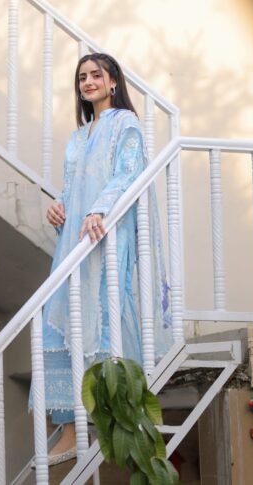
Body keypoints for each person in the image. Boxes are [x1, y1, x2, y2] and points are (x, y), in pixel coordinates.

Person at [30, 53, 172, 465]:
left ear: (113, 82)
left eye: (96, 75)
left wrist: (100, 209)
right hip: (76, 239)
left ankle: (119, 417)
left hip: (106, 232)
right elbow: (72, 186)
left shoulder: (125, 124)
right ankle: (72, 430)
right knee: (64, 322)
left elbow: (128, 174)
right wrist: (59, 206)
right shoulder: (78, 137)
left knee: (104, 315)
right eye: (82, 77)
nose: (88, 82)